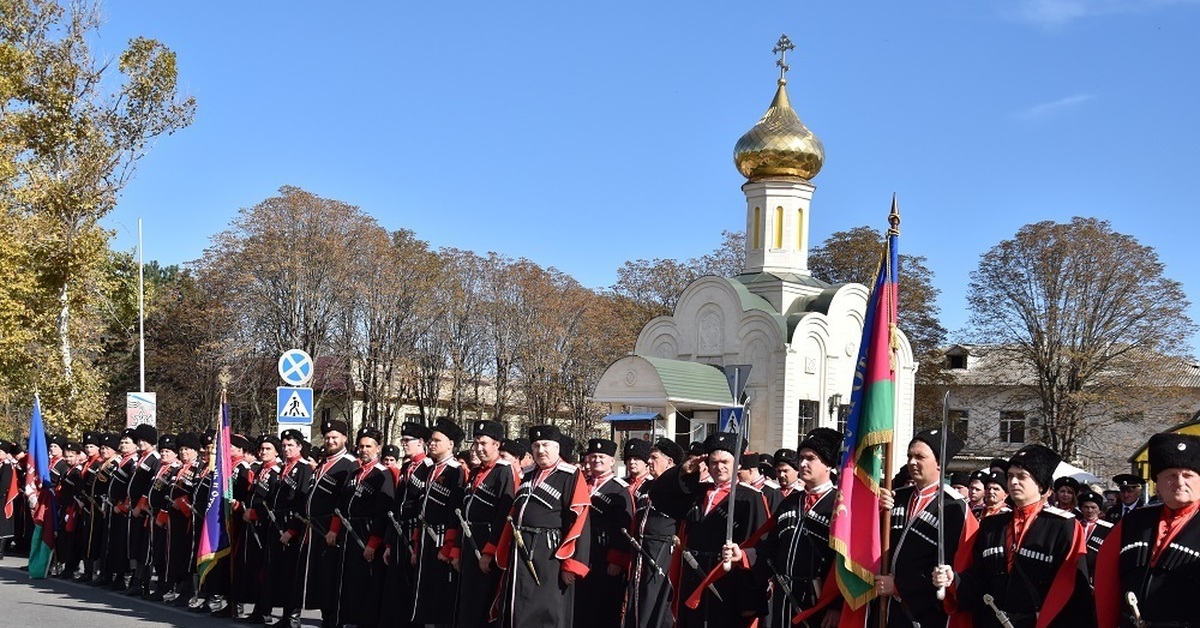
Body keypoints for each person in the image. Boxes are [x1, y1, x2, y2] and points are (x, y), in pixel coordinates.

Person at [934, 443, 1086, 627]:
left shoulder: (1063, 526)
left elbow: (1072, 590)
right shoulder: (992, 525)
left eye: (1021, 477)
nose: (1013, 482)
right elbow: (978, 579)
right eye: (1011, 476)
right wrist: (953, 580)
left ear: (1040, 484)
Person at [648, 431, 770, 627]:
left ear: (737, 464)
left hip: (727, 578)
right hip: (693, 573)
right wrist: (682, 471)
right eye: (713, 462)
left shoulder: (751, 498)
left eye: (725, 462)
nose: (719, 467)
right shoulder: (697, 491)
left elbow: (760, 544)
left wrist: (750, 595)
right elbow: (659, 496)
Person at [1094, 432, 1200, 627]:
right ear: (1156, 483)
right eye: (1170, 475)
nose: (1180, 482)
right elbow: (1105, 584)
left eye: (1188, 475)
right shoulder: (1133, 522)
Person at [494, 424, 591, 628]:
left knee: (546, 611)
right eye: (536, 446)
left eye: (546, 445)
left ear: (557, 447)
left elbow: (580, 522)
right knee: (517, 608)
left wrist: (571, 564)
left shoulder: (570, 475)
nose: (540, 450)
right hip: (520, 552)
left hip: (549, 556)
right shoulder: (528, 473)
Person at [877, 428, 975, 628]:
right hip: (885, 608)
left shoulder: (954, 508)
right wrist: (875, 509)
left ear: (939, 463)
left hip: (925, 614)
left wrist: (898, 586)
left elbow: (949, 568)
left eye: (919, 456)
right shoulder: (897, 497)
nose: (911, 462)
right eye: (909, 456)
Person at [757, 428, 843, 628]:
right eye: (801, 458)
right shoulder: (790, 502)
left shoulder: (840, 504)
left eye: (810, 458)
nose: (803, 464)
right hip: (785, 596)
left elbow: (845, 561)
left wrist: (836, 605)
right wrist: (743, 556)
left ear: (828, 464)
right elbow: (771, 547)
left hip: (818, 601)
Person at [328, 425, 394, 628]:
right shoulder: (355, 472)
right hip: (348, 533)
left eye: (369, 446)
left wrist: (373, 543)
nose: (364, 450)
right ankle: (343, 619)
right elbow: (341, 503)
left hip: (366, 533)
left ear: (378, 448)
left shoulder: (384, 475)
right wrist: (334, 529)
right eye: (361, 446)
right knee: (346, 579)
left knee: (364, 583)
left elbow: (383, 512)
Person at [454, 419, 518, 628]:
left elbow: (503, 515)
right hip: (468, 542)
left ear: (497, 445)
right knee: (467, 600)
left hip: (485, 544)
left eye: (484, 443)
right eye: (476, 443)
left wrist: (490, 551)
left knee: (482, 601)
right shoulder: (476, 472)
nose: (478, 449)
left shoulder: (504, 471)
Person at [298, 418, 357, 628]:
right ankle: (325, 616)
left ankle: (333, 619)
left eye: (335, 437)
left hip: (330, 530)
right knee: (319, 577)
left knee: (330, 576)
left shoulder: (349, 463)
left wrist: (334, 528)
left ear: (344, 438)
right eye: (327, 437)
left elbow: (344, 499)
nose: (330, 441)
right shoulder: (323, 462)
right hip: (313, 529)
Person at [407, 419, 464, 626]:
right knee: (421, 590)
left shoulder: (456, 471)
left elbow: (453, 511)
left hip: (440, 539)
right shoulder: (430, 469)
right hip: (424, 537)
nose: (431, 444)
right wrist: (415, 545)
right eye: (430, 440)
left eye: (437, 440)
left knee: (438, 593)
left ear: (450, 444)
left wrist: (449, 546)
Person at [624, 437, 684, 628]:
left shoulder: (680, 489)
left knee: (658, 603)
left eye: (654, 457)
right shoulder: (645, 487)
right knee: (637, 601)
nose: (648, 461)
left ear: (670, 461)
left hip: (663, 553)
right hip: (641, 552)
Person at [575, 438, 632, 628]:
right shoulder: (581, 483)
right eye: (593, 456)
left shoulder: (620, 489)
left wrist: (616, 559)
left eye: (602, 456)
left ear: (611, 461)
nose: (596, 460)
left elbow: (624, 525)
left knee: (604, 607)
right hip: (583, 552)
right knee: (582, 604)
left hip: (604, 553)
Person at [268, 429, 315, 628]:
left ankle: (292, 617)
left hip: (291, 523)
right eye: (284, 445)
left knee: (291, 573)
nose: (286, 449)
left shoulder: (303, 468)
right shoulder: (284, 467)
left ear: (299, 447)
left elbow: (302, 501)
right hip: (277, 521)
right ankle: (285, 616)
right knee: (280, 572)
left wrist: (292, 530)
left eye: (290, 445)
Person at [124, 423, 161, 596]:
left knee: (144, 547)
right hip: (133, 507)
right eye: (139, 440)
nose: (140, 443)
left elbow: (150, 486)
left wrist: (140, 506)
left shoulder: (155, 459)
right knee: (135, 545)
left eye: (144, 440)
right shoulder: (141, 458)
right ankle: (135, 578)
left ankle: (142, 581)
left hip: (143, 510)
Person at [1075, 490, 1110, 587]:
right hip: (1075, 572)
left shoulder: (1108, 529)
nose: (1089, 511)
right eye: (1086, 507)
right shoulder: (1074, 525)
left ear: (1099, 510)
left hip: (1095, 574)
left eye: (1093, 507)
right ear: (1081, 509)